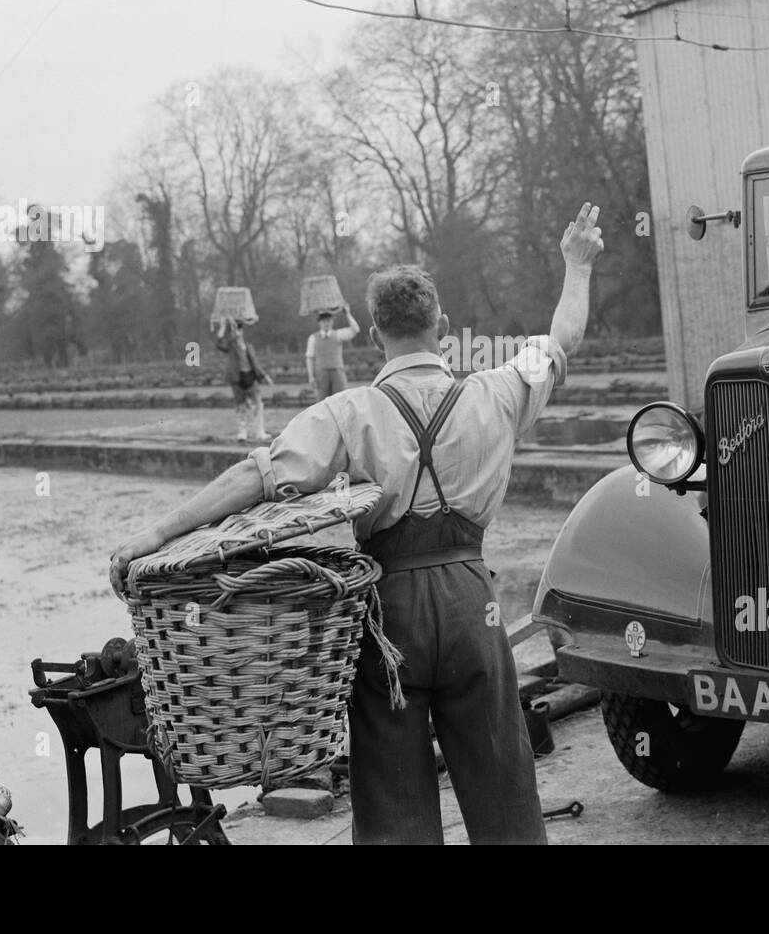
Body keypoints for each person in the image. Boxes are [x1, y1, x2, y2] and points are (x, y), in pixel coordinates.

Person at [110, 201, 604, 844]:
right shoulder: (498, 391)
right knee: (501, 773)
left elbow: (254, 477)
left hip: (386, 615)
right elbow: (563, 338)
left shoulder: (349, 411)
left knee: (392, 788)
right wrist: (577, 264)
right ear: (443, 327)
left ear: (374, 336)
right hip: (471, 606)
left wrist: (156, 535)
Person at [215, 318, 272, 441]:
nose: (237, 333)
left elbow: (255, 364)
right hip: (237, 379)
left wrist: (265, 376)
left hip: (250, 377)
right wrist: (223, 327)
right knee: (240, 407)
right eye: (234, 330)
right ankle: (242, 432)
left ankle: (260, 431)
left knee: (258, 405)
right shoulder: (230, 347)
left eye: (239, 330)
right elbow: (220, 344)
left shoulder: (248, 347)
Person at [305, 305, 359, 400]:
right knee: (322, 403)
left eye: (329, 320)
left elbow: (355, 330)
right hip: (321, 374)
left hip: (337, 372)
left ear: (332, 322)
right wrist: (311, 377)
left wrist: (347, 313)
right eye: (324, 321)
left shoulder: (338, 334)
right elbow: (309, 358)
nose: (326, 323)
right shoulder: (313, 338)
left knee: (341, 400)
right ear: (319, 323)